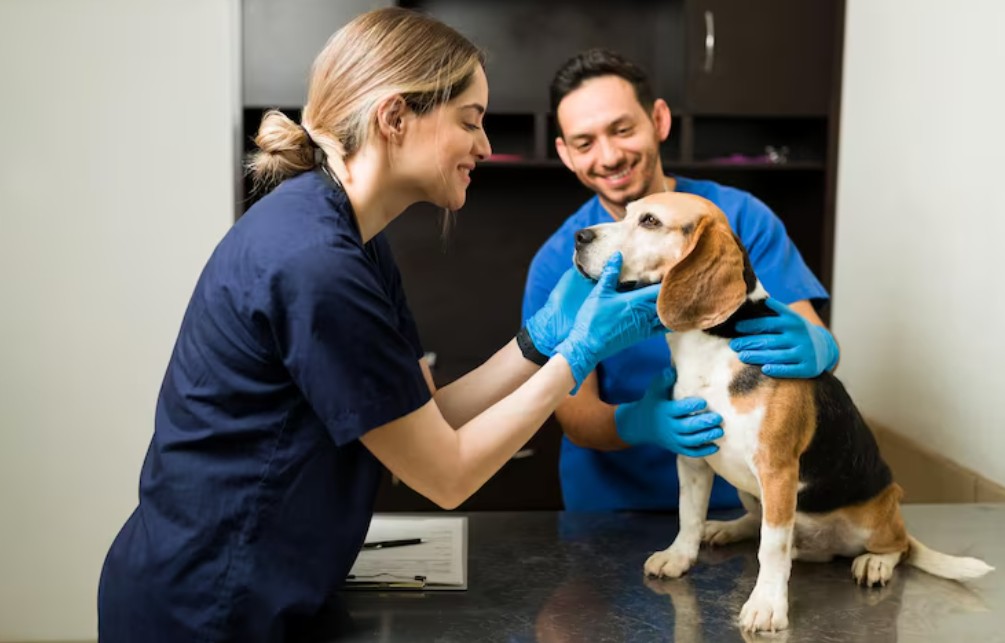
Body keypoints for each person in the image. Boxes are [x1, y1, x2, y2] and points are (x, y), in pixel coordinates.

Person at [97, 13, 666, 643]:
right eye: (470, 120)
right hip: (210, 606)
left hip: (269, 586)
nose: (483, 145)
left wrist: (541, 339)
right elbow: (445, 474)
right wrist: (579, 353)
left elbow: (424, 417)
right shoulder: (316, 264)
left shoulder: (351, 238)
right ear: (395, 118)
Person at [522, 49, 840, 512]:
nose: (609, 156)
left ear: (659, 120)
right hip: (613, 512)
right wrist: (639, 422)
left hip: (742, 503)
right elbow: (574, 414)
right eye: (584, 142)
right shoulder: (562, 263)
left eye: (623, 129)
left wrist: (819, 347)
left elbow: (812, 339)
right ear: (565, 154)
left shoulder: (737, 220)